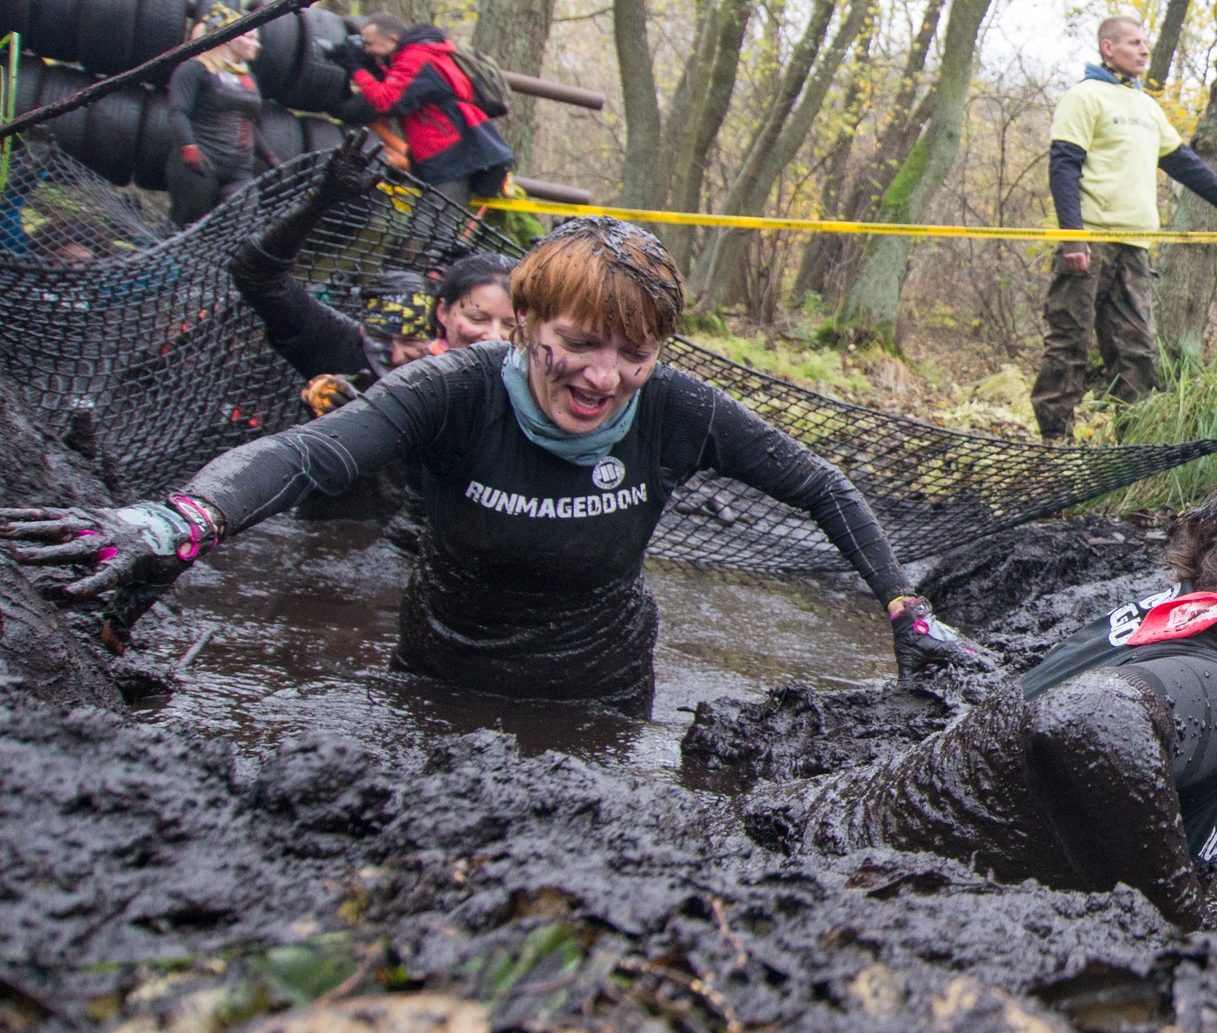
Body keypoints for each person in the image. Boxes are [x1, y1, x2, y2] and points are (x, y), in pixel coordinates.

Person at [3, 216, 978, 715]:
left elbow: (822, 486)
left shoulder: (678, 408)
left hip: (599, 691)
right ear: (524, 325)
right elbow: (306, 455)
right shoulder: (452, 389)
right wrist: (182, 519)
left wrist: (907, 609)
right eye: (580, 344)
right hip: (437, 672)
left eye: (634, 354)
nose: (604, 377)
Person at [743, 471, 1217, 930]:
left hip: (798, 830)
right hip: (807, 895)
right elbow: (1088, 721)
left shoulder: (1194, 623)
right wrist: (1181, 936)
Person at [1030, 16, 1217, 444]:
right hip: (1089, 243)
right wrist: (1073, 235)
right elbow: (1063, 167)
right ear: (1108, 49)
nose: (1144, 50)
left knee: (1137, 352)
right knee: (1068, 344)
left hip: (1134, 249)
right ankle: (1055, 444)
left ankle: (1133, 450)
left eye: (1145, 43)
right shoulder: (1084, 97)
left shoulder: (1146, 107)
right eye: (1133, 43)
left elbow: (1186, 165)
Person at [228, 135, 515, 418]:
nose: (395, 356)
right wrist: (320, 203)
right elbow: (258, 276)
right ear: (444, 314)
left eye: (413, 345)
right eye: (381, 342)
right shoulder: (345, 350)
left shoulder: (505, 390)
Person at [344, 13, 514, 209]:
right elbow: (403, 88)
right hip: (448, 152)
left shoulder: (416, 57)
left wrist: (357, 69)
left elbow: (387, 101)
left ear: (392, 39)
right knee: (430, 221)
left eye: (370, 43)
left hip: (451, 156)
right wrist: (368, 69)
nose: (367, 49)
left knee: (434, 222)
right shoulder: (420, 55)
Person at [166, 5, 279, 227]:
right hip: (201, 165)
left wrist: (269, 157)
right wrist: (189, 146)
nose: (256, 45)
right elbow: (178, 113)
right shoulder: (193, 69)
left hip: (239, 171)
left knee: (241, 226)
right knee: (190, 229)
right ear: (228, 38)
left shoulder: (248, 78)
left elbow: (248, 123)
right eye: (249, 38)